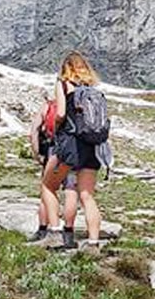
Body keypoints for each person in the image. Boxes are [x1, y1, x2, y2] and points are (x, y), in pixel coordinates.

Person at [35, 52, 107, 252]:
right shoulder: (92, 90)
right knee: (87, 196)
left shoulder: (63, 83)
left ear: (66, 67)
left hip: (70, 145)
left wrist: (56, 126)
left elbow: (60, 113)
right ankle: (93, 243)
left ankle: (55, 233)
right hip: (92, 147)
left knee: (48, 186)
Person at [28, 93, 79, 248]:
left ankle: (44, 230)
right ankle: (68, 234)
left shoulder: (48, 106)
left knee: (48, 189)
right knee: (71, 190)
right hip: (76, 150)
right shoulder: (77, 107)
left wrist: (37, 154)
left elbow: (34, 131)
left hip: (55, 150)